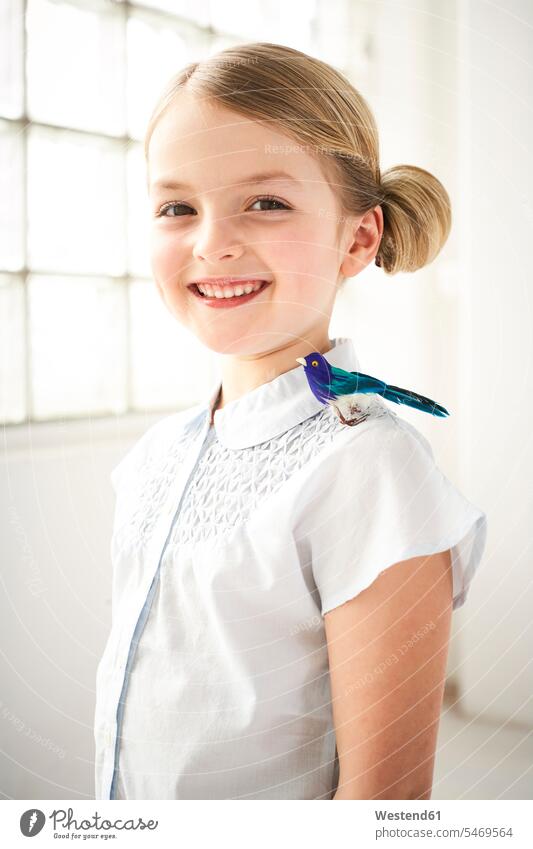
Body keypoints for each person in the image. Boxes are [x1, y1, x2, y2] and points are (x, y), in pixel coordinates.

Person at [94, 42, 487, 801]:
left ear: (358, 237)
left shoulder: (371, 468)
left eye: (265, 202)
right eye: (178, 206)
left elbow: (384, 803)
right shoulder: (152, 458)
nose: (213, 242)